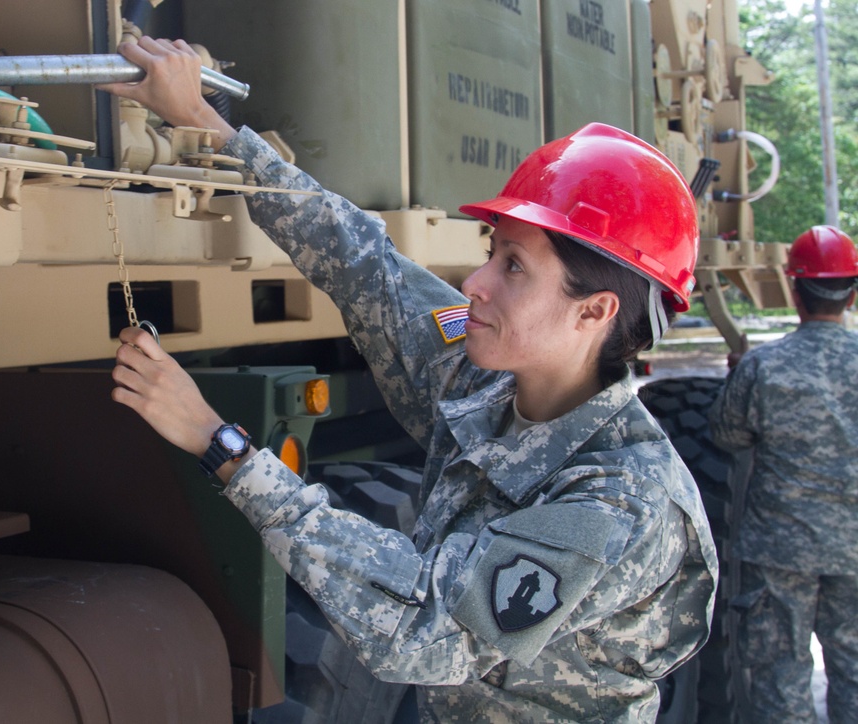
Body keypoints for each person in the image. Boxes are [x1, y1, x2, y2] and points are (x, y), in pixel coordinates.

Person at [101, 37, 718, 722]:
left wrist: (221, 445)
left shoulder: (623, 504)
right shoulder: (481, 385)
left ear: (595, 311)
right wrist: (208, 124)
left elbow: (422, 628)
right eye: (492, 254)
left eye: (514, 266)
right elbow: (364, 264)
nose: (473, 284)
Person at [709, 225, 858, 722]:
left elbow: (727, 436)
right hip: (854, 548)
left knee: (779, 674)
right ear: (852, 293)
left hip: (778, 549)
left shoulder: (762, 367)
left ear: (795, 291)